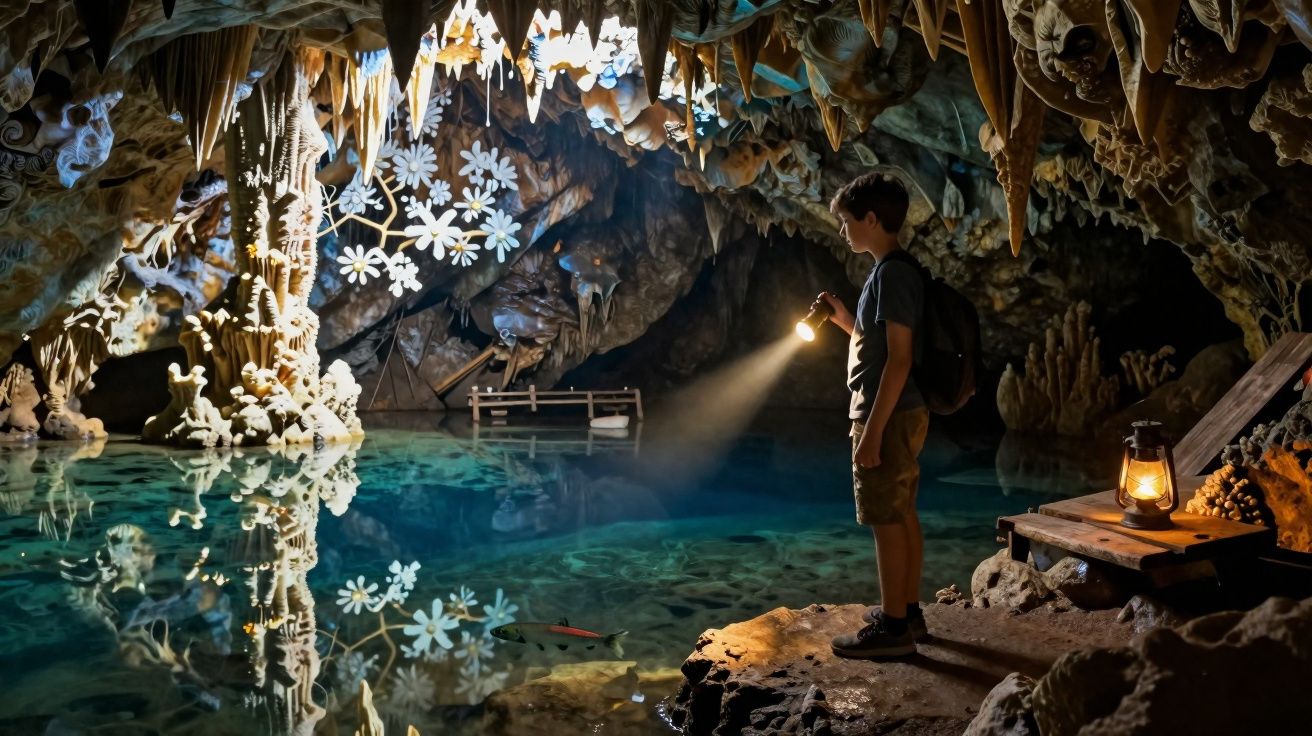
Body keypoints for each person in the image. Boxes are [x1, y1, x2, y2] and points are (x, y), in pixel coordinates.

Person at [821, 173, 929, 659]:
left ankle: (893, 630)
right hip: (897, 411)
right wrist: (845, 319)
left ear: (871, 219)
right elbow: (880, 347)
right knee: (901, 510)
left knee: (886, 516)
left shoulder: (893, 274)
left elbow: (900, 360)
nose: (844, 230)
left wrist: (873, 432)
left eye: (847, 221)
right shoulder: (889, 272)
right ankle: (907, 610)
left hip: (888, 413)